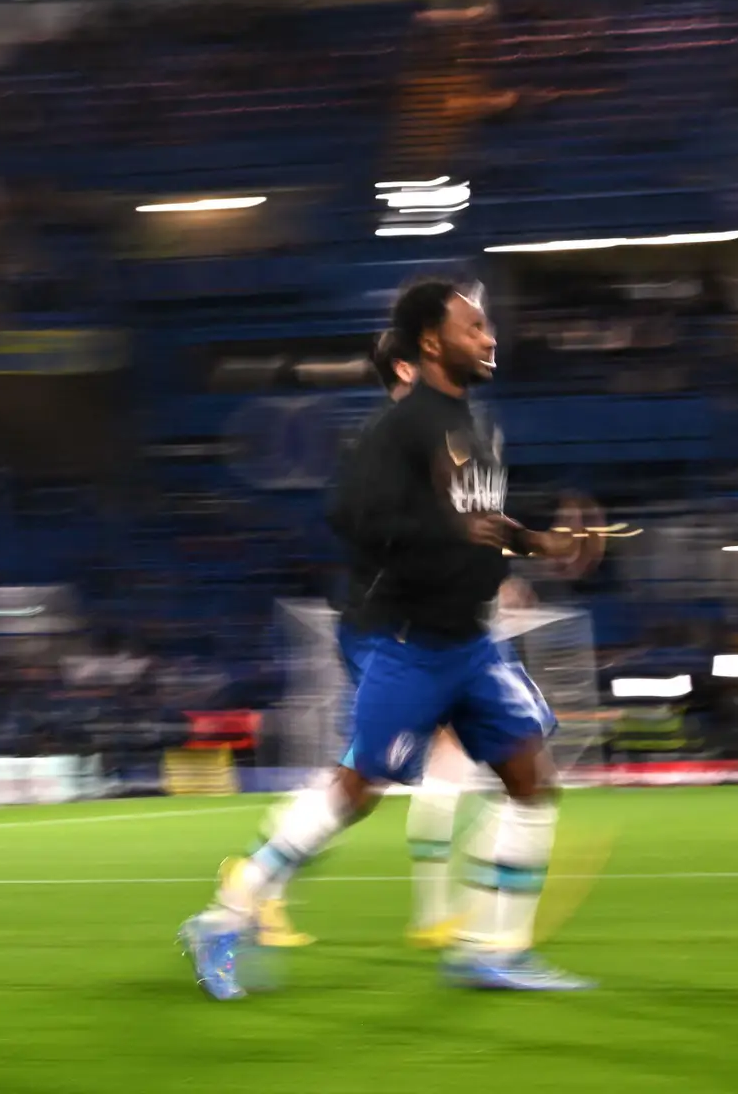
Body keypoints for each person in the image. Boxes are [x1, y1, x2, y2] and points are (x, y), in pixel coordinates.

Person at [185, 278, 603, 998]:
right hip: (406, 642)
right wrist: (448, 531)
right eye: (474, 327)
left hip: (471, 638)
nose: (489, 337)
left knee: (531, 780)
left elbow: (483, 522)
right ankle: (225, 916)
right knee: (357, 790)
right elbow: (352, 517)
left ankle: (494, 950)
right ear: (432, 342)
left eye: (487, 326)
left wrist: (543, 543)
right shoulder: (400, 427)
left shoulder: (475, 427)